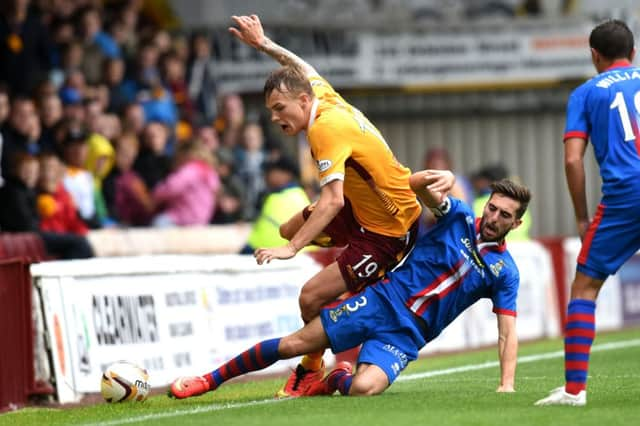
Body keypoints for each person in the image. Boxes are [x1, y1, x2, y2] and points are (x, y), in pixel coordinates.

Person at [167, 169, 530, 399]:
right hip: (381, 299)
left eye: (504, 215)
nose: (493, 217)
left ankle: (332, 379)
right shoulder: (461, 217)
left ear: (515, 224)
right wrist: (444, 176)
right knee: (294, 343)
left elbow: (507, 331)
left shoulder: (504, 271)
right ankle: (208, 380)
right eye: (493, 208)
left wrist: (507, 383)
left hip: (408, 334)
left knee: (363, 388)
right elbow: (416, 187)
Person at [228, 15, 422, 397]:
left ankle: (313, 368)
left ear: (303, 101)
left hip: (389, 230)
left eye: (279, 108)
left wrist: (293, 248)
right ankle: (334, 341)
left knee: (311, 295)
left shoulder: (324, 130)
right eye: (270, 110)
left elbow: (331, 200)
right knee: (287, 227)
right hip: (361, 208)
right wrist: (264, 45)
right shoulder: (322, 97)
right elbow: (303, 68)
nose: (274, 117)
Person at [534, 19, 640, 407]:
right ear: (633, 52)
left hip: (626, 197)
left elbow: (573, 160)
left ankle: (575, 390)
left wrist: (581, 215)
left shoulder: (585, 93)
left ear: (594, 55)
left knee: (584, 289)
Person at [240, 155, 311, 254]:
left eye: (270, 172)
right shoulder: (298, 195)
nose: (266, 176)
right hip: (300, 257)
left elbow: (262, 239)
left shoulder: (277, 198)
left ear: (286, 174)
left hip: (273, 256)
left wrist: (244, 251)